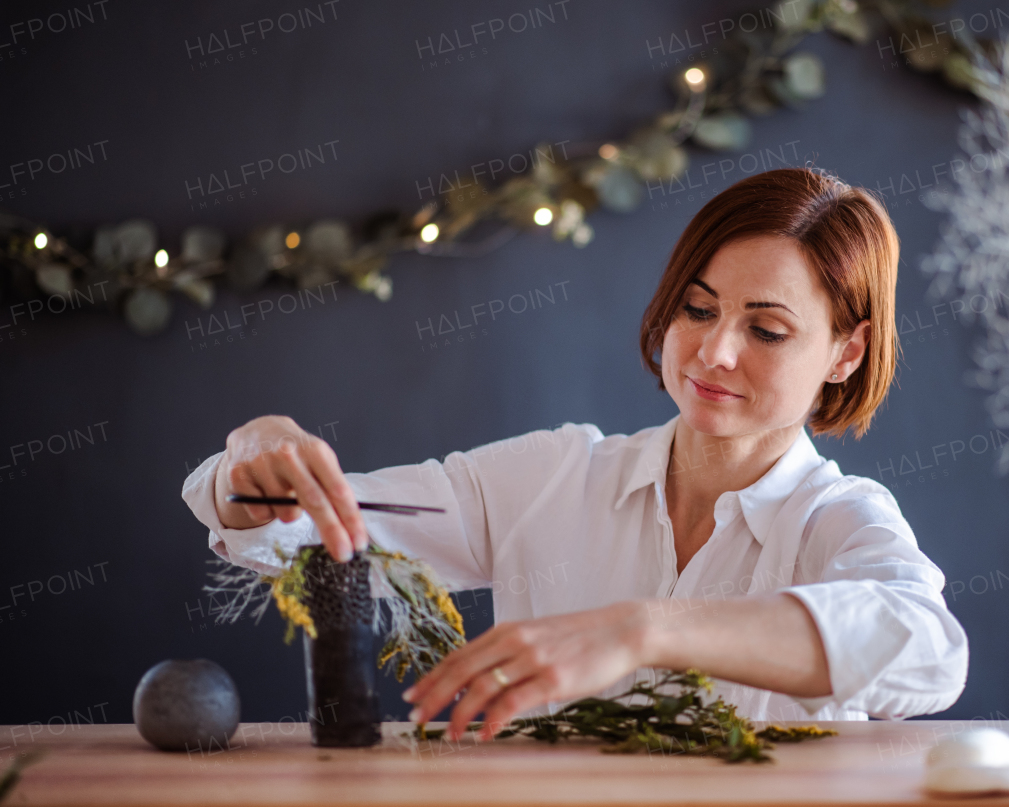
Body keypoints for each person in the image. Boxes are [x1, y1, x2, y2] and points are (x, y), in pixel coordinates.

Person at [181, 167, 968, 742]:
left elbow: (930, 654)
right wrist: (246, 465)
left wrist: (643, 629)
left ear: (845, 352)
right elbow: (307, 528)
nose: (714, 351)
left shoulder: (838, 521)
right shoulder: (552, 478)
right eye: (697, 308)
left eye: (766, 329)